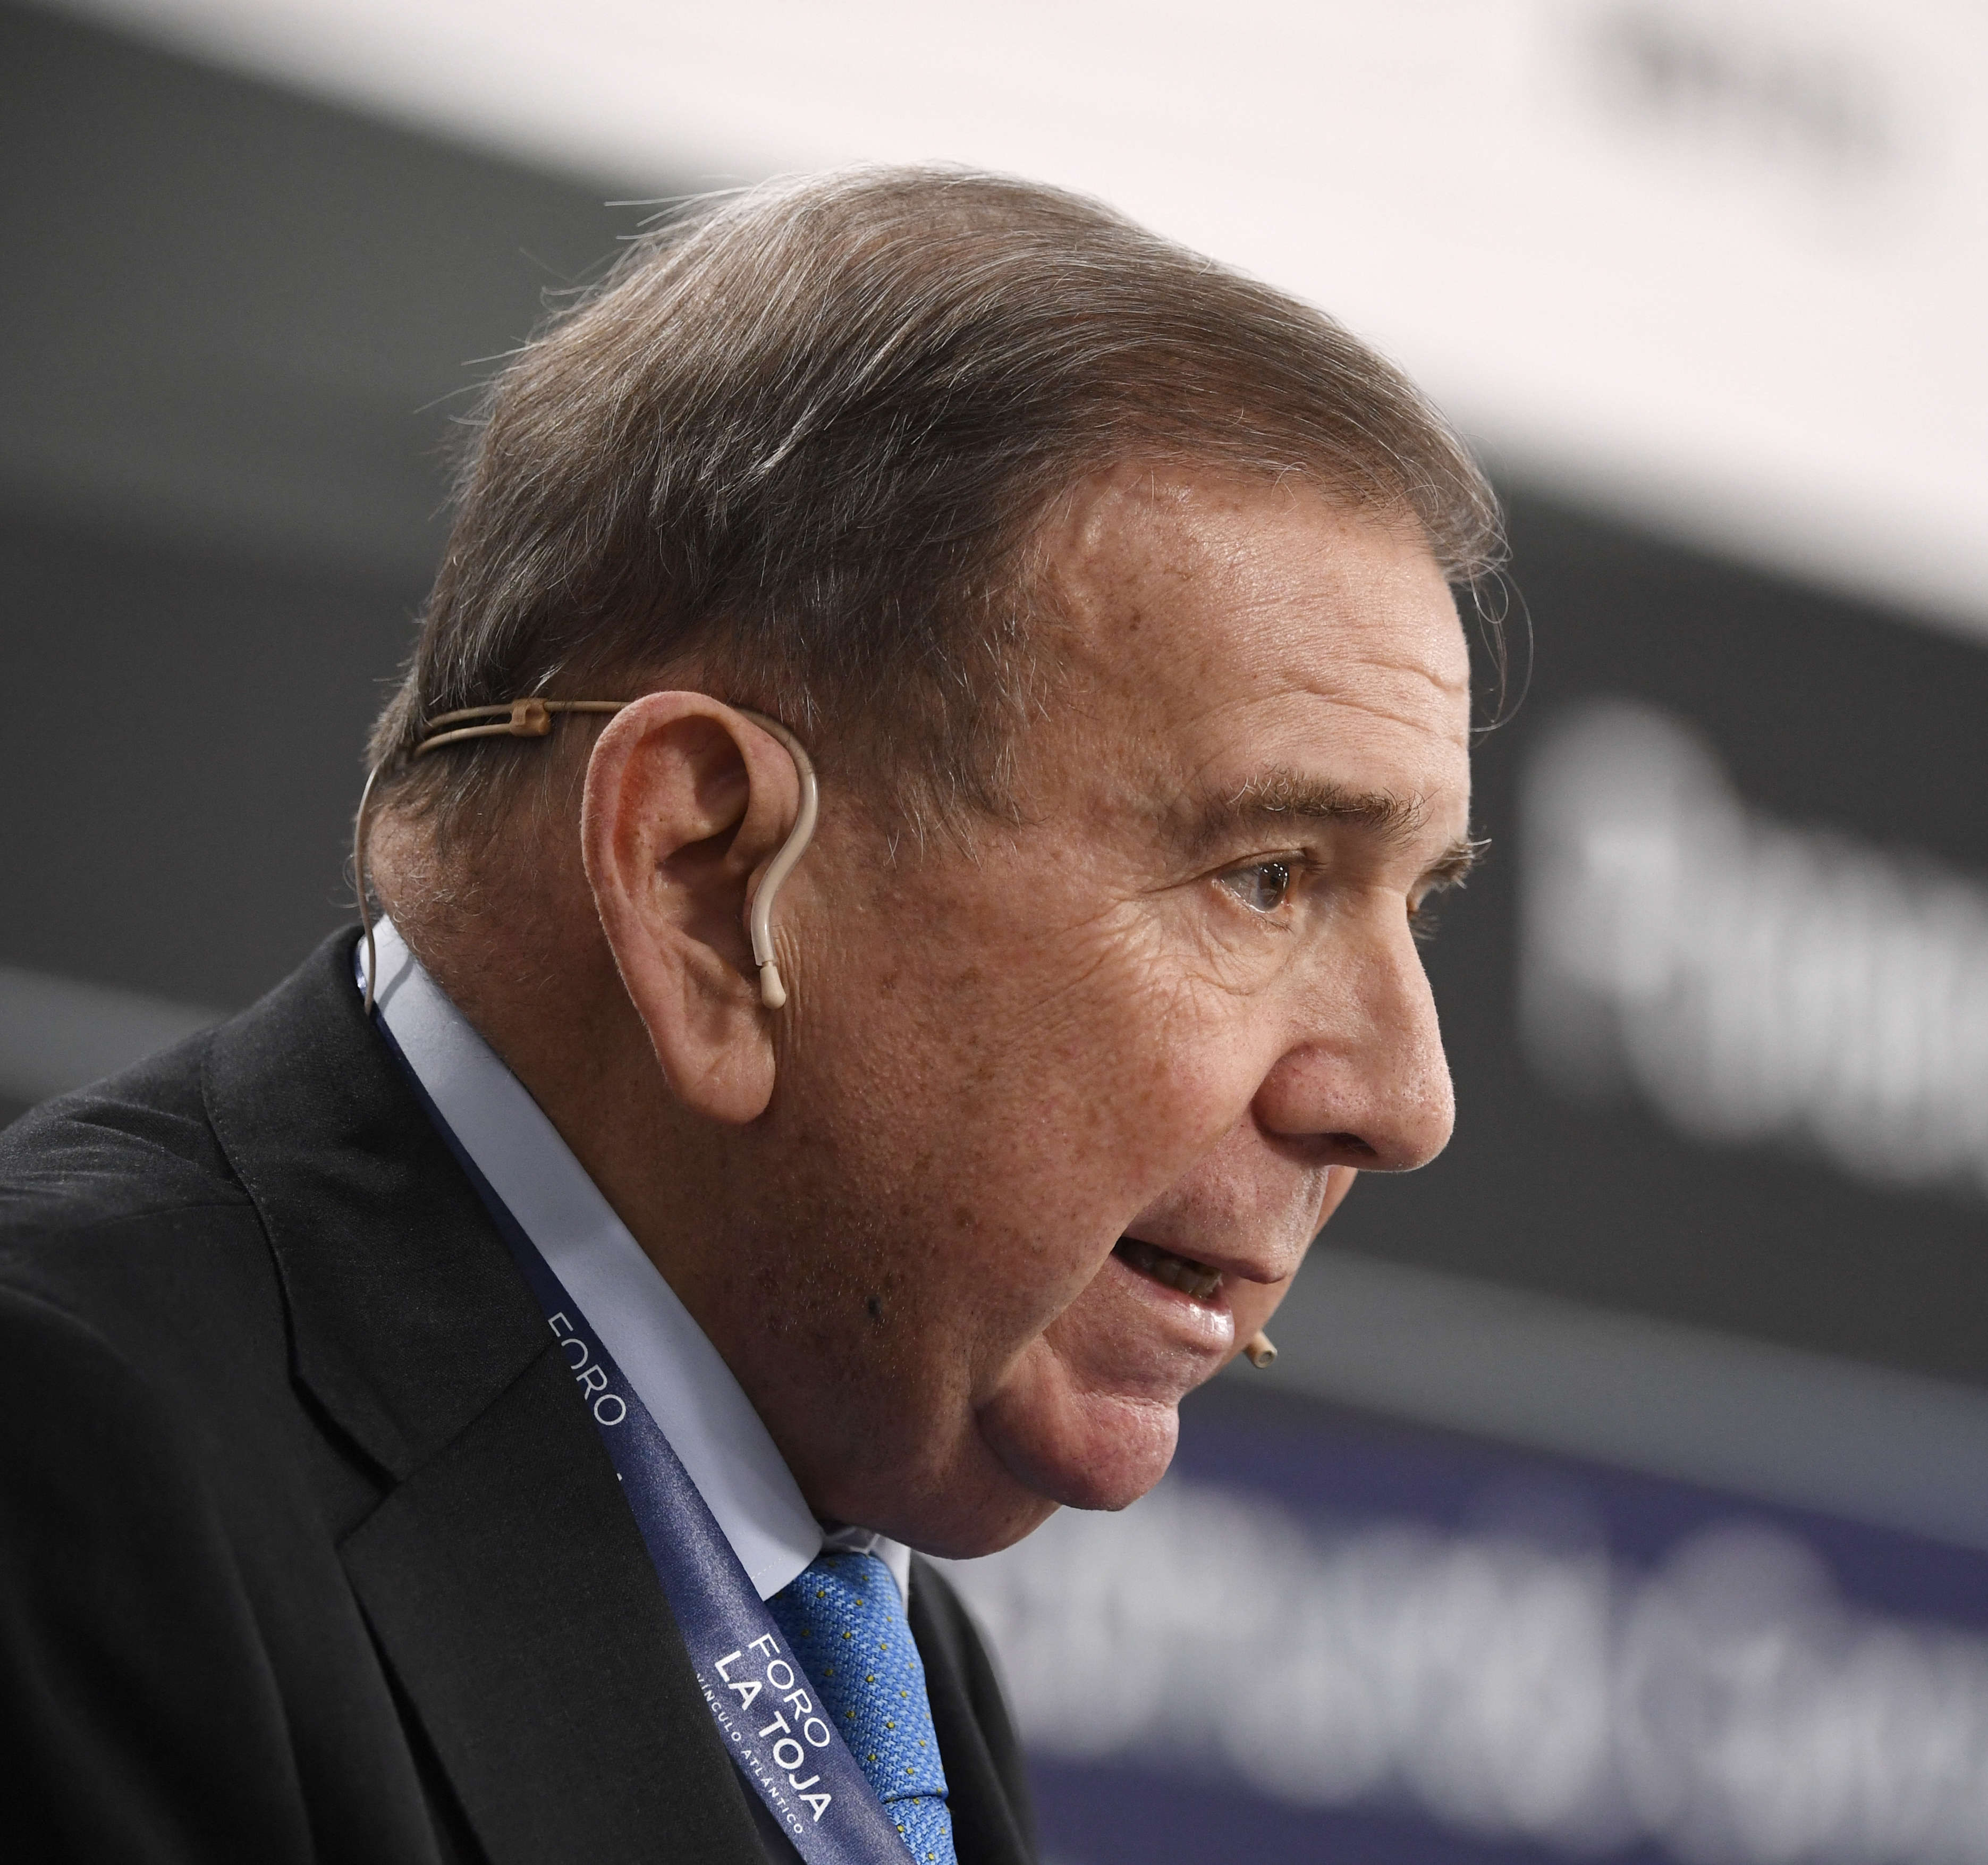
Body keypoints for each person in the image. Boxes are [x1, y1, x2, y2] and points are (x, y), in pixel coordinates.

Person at [0, 165, 1501, 1864]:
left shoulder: (867, 1642)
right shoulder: (72, 1467)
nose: (1409, 1100)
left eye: (1420, 905)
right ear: (709, 888)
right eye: (1267, 877)